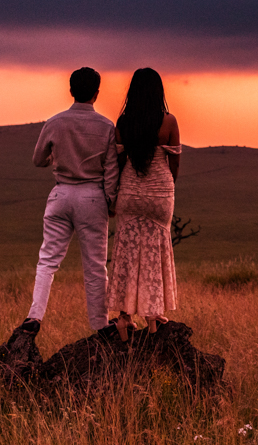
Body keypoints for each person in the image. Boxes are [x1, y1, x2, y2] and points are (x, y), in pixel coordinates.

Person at [19, 67, 120, 337]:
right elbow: (111, 171)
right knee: (96, 266)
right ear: (97, 93)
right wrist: (111, 203)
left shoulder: (55, 122)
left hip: (61, 194)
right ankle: (101, 324)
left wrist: (59, 159)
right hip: (92, 197)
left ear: (71, 91)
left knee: (48, 260)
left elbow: (38, 160)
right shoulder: (106, 126)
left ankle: (34, 316)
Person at [106, 67, 181, 341]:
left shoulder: (124, 122)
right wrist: (167, 186)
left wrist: (117, 194)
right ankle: (153, 316)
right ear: (158, 91)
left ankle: (125, 318)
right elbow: (175, 162)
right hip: (160, 192)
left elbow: (118, 162)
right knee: (155, 249)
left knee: (127, 250)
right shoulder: (169, 121)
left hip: (130, 191)